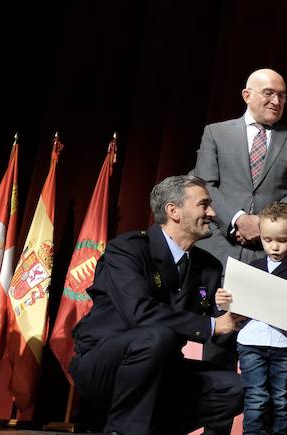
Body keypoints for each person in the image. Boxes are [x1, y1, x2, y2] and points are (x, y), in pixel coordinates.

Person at [70, 175, 243, 435]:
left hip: (163, 368)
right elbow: (139, 313)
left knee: (237, 389)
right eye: (203, 205)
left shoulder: (209, 267)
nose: (212, 212)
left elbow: (218, 325)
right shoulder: (127, 250)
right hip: (105, 364)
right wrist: (210, 325)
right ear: (173, 211)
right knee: (156, 336)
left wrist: (241, 318)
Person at [192, 68, 287, 433]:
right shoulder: (216, 132)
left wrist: (261, 224)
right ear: (247, 94)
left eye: (282, 95)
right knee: (219, 348)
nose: (276, 100)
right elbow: (204, 183)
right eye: (268, 93)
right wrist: (237, 219)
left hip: (272, 261)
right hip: (221, 253)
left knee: (270, 366)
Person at [231, 201, 287, 435]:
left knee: (280, 400)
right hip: (251, 343)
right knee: (256, 398)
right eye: (267, 240)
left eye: (282, 240)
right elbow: (239, 301)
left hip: (284, 344)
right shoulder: (254, 266)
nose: (275, 247)